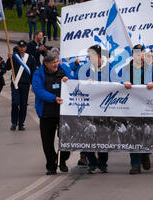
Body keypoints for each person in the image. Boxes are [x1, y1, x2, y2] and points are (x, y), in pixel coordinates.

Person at [32, 52, 71, 175]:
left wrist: (68, 80)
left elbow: (74, 82)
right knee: (47, 141)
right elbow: (38, 90)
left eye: (57, 61)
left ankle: (62, 160)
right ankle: (51, 165)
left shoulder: (63, 70)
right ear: (46, 64)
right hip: (46, 112)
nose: (56, 64)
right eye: (53, 62)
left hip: (63, 112)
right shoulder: (38, 73)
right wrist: (53, 98)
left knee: (66, 139)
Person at [73, 45, 111, 173]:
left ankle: (103, 163)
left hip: (104, 110)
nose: (89, 58)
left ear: (98, 56)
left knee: (103, 137)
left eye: (90, 56)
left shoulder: (109, 70)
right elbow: (75, 81)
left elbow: (117, 84)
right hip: (88, 109)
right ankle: (92, 163)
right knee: (87, 136)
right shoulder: (86, 69)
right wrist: (68, 80)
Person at [123, 44, 153, 174]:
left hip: (147, 108)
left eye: (141, 54)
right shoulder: (127, 69)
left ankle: (145, 154)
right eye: (136, 54)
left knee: (146, 133)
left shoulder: (151, 70)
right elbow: (117, 84)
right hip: (131, 107)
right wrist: (123, 84)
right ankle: (135, 164)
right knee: (133, 134)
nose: (139, 56)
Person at [6, 40, 37, 131]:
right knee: (15, 103)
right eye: (20, 47)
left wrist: (33, 84)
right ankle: (14, 123)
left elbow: (33, 72)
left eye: (23, 47)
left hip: (25, 84)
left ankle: (21, 123)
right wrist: (9, 59)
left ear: (26, 48)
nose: (22, 48)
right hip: (15, 84)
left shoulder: (30, 58)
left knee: (23, 105)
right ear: (18, 47)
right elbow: (7, 67)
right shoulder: (14, 57)